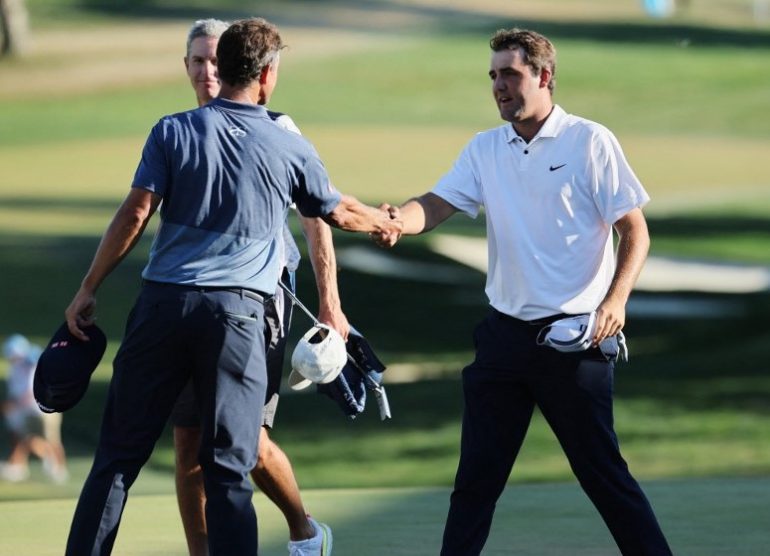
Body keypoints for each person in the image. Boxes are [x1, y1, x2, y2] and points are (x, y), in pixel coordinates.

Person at [63, 17, 401, 556]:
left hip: (160, 310)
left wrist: (89, 287)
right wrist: (387, 223)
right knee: (229, 468)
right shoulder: (286, 143)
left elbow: (135, 214)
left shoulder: (170, 130)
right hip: (237, 318)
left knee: (117, 460)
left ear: (222, 68)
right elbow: (337, 213)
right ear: (266, 76)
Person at [374, 28, 672, 556]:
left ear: (544, 76)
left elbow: (636, 230)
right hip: (503, 341)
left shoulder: (589, 141)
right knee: (475, 485)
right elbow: (437, 204)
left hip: (573, 344)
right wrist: (397, 219)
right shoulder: (485, 148)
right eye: (493, 76)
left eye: (509, 74)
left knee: (605, 478)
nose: (499, 86)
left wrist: (615, 300)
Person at [173, 18, 348, 556]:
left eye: (215, 59)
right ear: (187, 67)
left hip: (260, 301)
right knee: (188, 446)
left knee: (242, 442)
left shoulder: (279, 126)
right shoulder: (182, 129)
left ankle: (304, 530)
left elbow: (318, 219)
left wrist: (330, 302)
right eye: (198, 61)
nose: (208, 70)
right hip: (191, 302)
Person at [1, 334, 68, 483]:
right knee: (24, 438)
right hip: (27, 410)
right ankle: (19, 466)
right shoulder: (15, 369)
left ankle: (60, 469)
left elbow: (37, 360)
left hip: (45, 408)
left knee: (52, 439)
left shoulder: (32, 361)